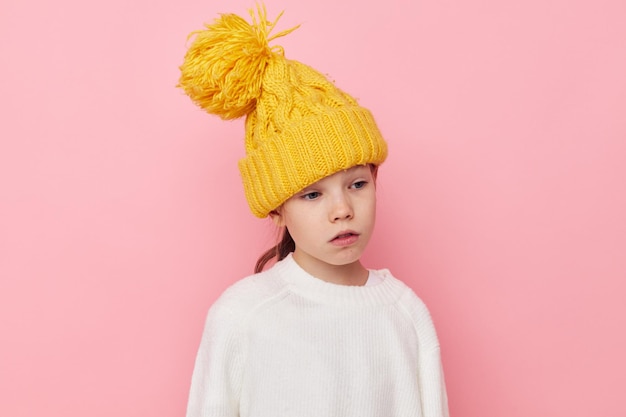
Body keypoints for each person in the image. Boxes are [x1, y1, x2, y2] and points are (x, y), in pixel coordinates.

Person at [178, 5, 449, 417]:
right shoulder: (242, 316)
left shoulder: (405, 313)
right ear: (277, 210)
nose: (342, 209)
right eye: (312, 195)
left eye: (357, 184)